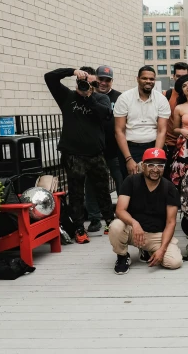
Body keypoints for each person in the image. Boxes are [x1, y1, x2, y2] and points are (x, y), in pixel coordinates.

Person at [45, 66, 114, 244]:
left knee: (103, 189)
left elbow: (105, 115)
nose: (84, 85)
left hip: (95, 154)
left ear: (94, 83)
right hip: (73, 154)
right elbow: (49, 77)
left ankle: (110, 222)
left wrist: (90, 95)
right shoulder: (67, 96)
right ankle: (78, 227)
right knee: (76, 193)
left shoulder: (101, 98)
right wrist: (72, 71)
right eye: (82, 82)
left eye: (88, 82)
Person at [108, 147, 182, 274]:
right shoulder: (131, 181)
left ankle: (148, 250)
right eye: (150, 165)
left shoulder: (170, 188)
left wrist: (162, 250)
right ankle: (122, 256)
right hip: (134, 231)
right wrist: (134, 224)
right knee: (116, 226)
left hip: (156, 235)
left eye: (159, 165)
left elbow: (171, 222)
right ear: (143, 166)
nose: (155, 169)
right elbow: (120, 210)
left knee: (174, 262)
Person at [85, 65, 123, 234]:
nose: (103, 83)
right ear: (95, 79)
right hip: (93, 150)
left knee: (121, 183)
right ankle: (94, 218)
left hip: (114, 149)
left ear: (111, 81)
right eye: (101, 79)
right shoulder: (87, 96)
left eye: (107, 80)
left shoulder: (119, 98)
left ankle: (123, 215)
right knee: (93, 185)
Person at [114, 66, 171, 177]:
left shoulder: (161, 100)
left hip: (154, 146)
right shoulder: (124, 98)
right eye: (144, 78)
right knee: (132, 185)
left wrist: (155, 157)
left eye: (151, 79)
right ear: (138, 79)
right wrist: (128, 158)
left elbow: (162, 130)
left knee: (155, 185)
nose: (148, 81)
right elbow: (119, 131)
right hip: (130, 149)